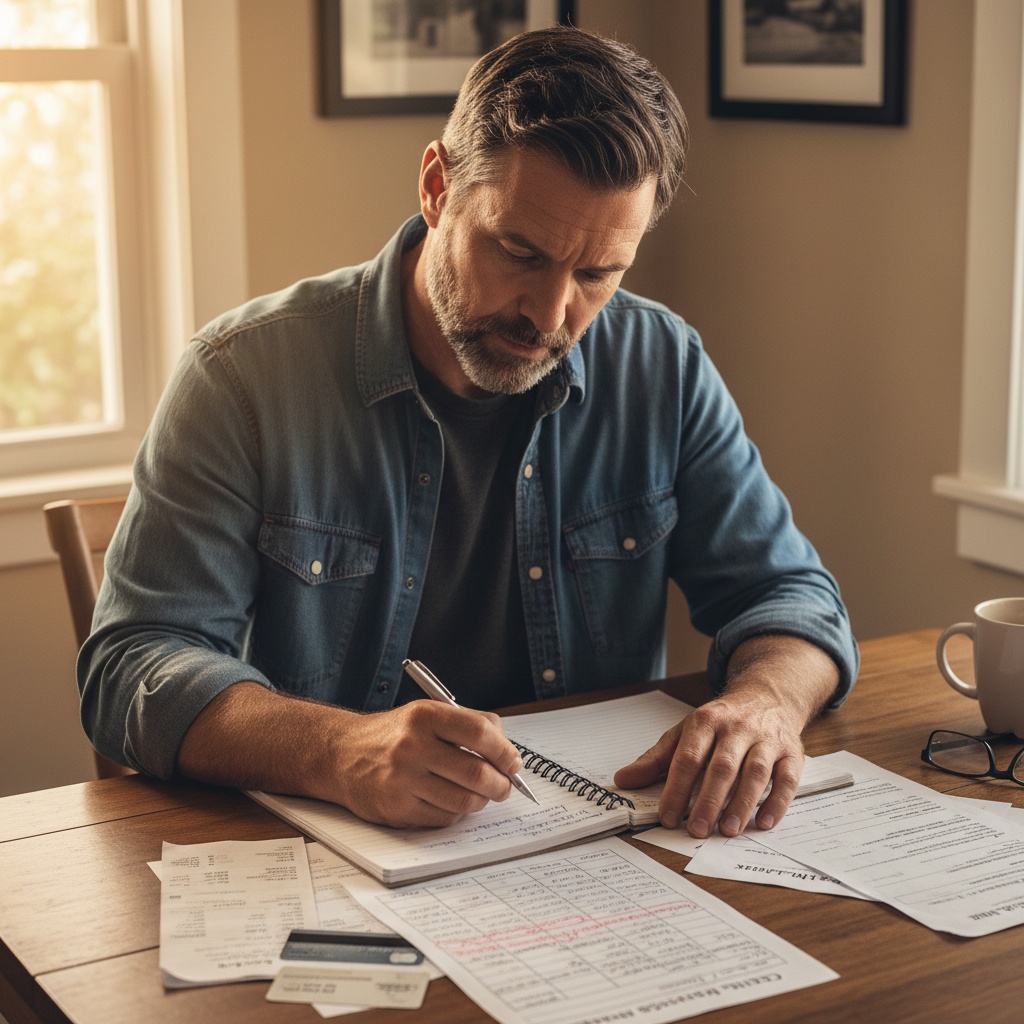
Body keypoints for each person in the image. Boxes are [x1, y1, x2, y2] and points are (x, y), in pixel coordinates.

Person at [79, 25, 858, 839]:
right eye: (519, 252)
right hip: (326, 852)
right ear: (436, 187)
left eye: (598, 274)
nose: (551, 315)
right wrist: (340, 748)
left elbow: (792, 597)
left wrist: (765, 703)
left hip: (597, 852)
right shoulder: (241, 375)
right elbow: (133, 665)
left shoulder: (660, 362)